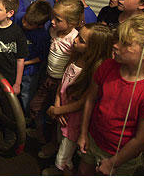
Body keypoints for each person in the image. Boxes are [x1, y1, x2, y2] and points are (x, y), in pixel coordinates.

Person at [77, 14, 144, 175]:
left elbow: (142, 139)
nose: (115, 46)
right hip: (93, 139)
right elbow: (91, 99)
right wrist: (83, 133)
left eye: (124, 43)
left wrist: (112, 162)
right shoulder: (108, 66)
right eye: (117, 39)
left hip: (121, 156)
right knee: (84, 171)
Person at [41, 23, 113, 175]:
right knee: (60, 141)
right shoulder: (75, 57)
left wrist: (58, 110)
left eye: (81, 40)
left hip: (73, 119)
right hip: (62, 112)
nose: (75, 40)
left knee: (64, 154)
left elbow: (83, 102)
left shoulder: (93, 71)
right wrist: (57, 104)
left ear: (94, 48)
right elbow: (62, 81)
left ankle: (60, 171)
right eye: (78, 35)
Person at [28, 0, 84, 156]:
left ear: (72, 23)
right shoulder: (53, 31)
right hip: (48, 77)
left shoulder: (74, 39)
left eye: (57, 20)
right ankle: (41, 135)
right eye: (52, 17)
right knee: (36, 107)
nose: (52, 22)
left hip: (62, 83)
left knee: (55, 116)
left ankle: (51, 145)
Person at [14, 0, 52, 114]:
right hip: (13, 66)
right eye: (25, 20)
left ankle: (26, 118)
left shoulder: (42, 36)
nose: (24, 24)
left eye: (29, 24)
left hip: (29, 71)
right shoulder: (18, 17)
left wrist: (23, 63)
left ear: (39, 25)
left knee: (26, 94)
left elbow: (41, 57)